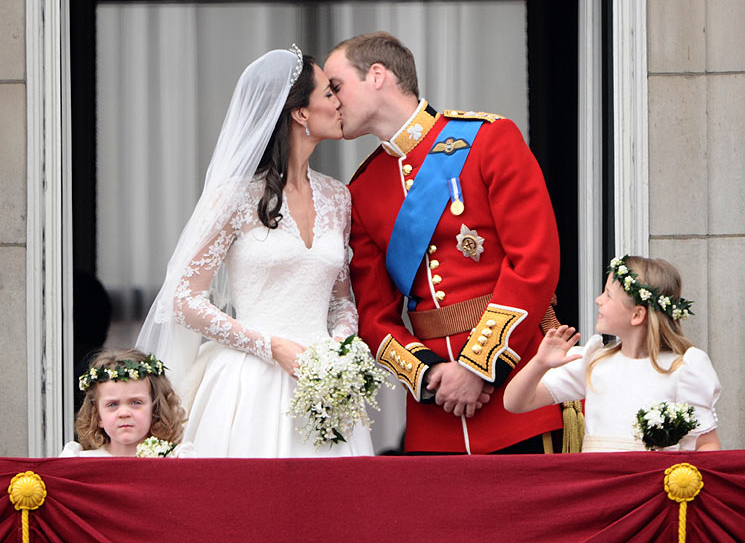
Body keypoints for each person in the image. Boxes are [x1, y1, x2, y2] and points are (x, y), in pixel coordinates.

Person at [324, 32, 563, 454]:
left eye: (336, 86)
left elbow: (534, 264)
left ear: (377, 75)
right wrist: (430, 375)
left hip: (517, 394)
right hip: (436, 414)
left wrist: (477, 367)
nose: (330, 100)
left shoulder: (489, 140)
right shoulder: (362, 189)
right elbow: (374, 315)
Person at [136, 47, 373, 457]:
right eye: (329, 94)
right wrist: (271, 346)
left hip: (325, 387)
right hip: (249, 382)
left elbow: (340, 300)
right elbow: (184, 299)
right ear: (300, 113)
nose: (339, 103)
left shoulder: (338, 197)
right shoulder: (234, 197)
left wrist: (340, 350)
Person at [503, 255, 722, 451]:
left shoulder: (681, 369)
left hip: (653, 491)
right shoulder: (593, 361)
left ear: (637, 315)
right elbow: (515, 403)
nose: (599, 300)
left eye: (608, 295)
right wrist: (540, 364)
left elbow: (707, 444)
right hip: (598, 488)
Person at [60, 348, 196, 457]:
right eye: (112, 404)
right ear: (97, 416)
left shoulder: (176, 459)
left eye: (136, 402)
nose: (124, 413)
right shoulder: (80, 461)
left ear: (155, 409)